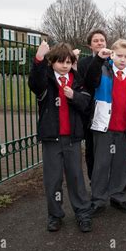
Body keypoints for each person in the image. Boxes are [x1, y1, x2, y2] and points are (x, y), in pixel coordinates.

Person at [28, 41, 92, 233]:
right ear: (52, 62)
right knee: (53, 179)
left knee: (76, 177)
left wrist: (74, 96)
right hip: (52, 139)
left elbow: (87, 103)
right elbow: (34, 83)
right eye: (60, 62)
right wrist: (39, 59)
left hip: (72, 138)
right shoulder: (45, 79)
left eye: (68, 62)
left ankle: (82, 213)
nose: (64, 66)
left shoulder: (77, 80)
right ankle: (55, 215)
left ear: (72, 62)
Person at [85, 39, 126, 217]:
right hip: (103, 127)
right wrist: (98, 60)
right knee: (101, 164)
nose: (123, 59)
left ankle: (117, 196)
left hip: (123, 128)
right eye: (119, 55)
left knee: (121, 165)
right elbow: (89, 79)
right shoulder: (102, 70)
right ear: (112, 55)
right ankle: (98, 199)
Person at [77, 30, 108, 182]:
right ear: (90, 45)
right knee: (92, 149)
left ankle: (118, 180)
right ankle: (93, 179)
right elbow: (86, 84)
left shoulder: (112, 61)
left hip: (110, 111)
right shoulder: (83, 63)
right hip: (91, 112)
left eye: (102, 40)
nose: (100, 43)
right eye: (96, 40)